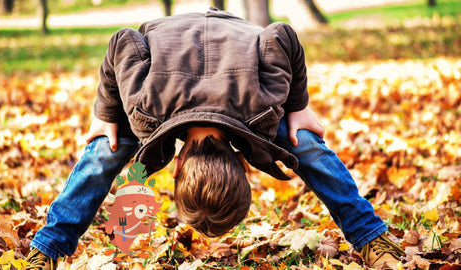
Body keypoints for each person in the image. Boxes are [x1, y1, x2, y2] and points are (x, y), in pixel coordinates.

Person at [26, 7, 405, 270]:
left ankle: (370, 236)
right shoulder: (146, 111)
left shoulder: (261, 108)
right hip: (176, 52)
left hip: (227, 43)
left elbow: (281, 36)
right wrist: (105, 117)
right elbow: (122, 42)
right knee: (104, 149)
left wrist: (297, 107)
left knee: (303, 139)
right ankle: (47, 248)